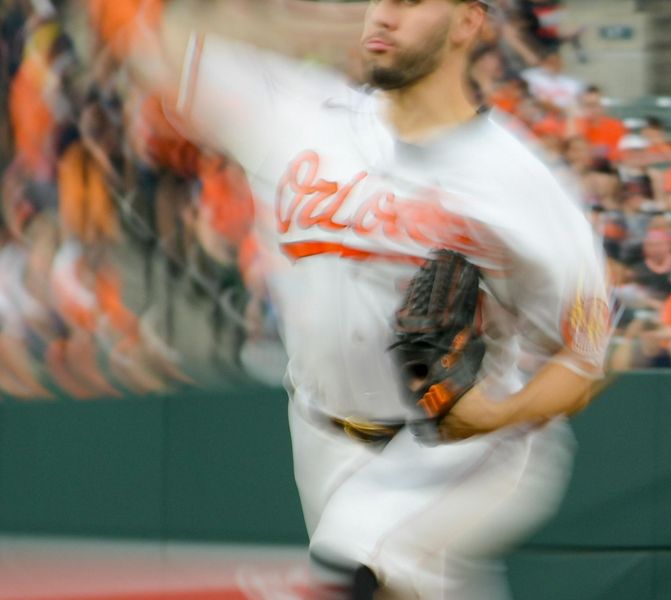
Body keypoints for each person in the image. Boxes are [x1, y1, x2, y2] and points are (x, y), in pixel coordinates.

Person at [90, 0, 610, 598]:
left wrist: (497, 415)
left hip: (458, 446)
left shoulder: (523, 186)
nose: (382, 15)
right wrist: (276, 19)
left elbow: (583, 358)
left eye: (410, 3)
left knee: (348, 568)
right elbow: (145, 34)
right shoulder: (290, 111)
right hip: (320, 427)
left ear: (468, 23)